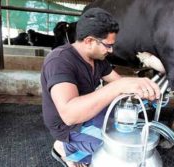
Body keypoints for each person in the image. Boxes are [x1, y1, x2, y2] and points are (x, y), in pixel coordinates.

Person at [41, 7, 160, 167]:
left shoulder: (97, 59)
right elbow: (70, 115)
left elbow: (118, 82)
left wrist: (142, 89)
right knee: (119, 153)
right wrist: (119, 86)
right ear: (89, 41)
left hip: (90, 114)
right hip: (69, 127)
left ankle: (82, 149)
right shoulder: (59, 61)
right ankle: (64, 147)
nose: (110, 51)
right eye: (108, 45)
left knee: (132, 135)